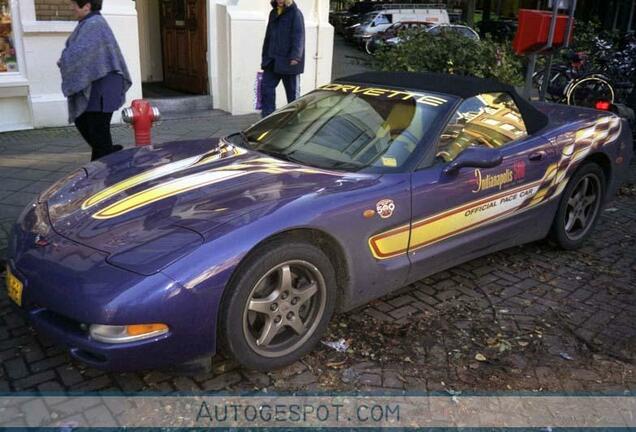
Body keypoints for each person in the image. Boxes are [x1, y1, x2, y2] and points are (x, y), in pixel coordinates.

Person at [58, 0, 131, 161]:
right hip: (98, 85)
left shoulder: (94, 24)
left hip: (102, 88)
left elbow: (79, 55)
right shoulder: (88, 23)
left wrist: (64, 60)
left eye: (74, 5)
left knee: (97, 134)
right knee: (92, 130)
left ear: (87, 6)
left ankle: (106, 169)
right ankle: (111, 157)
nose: (71, 8)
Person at [260, 0, 305, 117]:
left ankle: (295, 120)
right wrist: (265, 56)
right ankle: (268, 118)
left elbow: (298, 36)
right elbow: (268, 37)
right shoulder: (273, 13)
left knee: (293, 95)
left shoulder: (295, 13)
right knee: (266, 88)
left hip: (289, 62)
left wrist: (295, 56)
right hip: (272, 61)